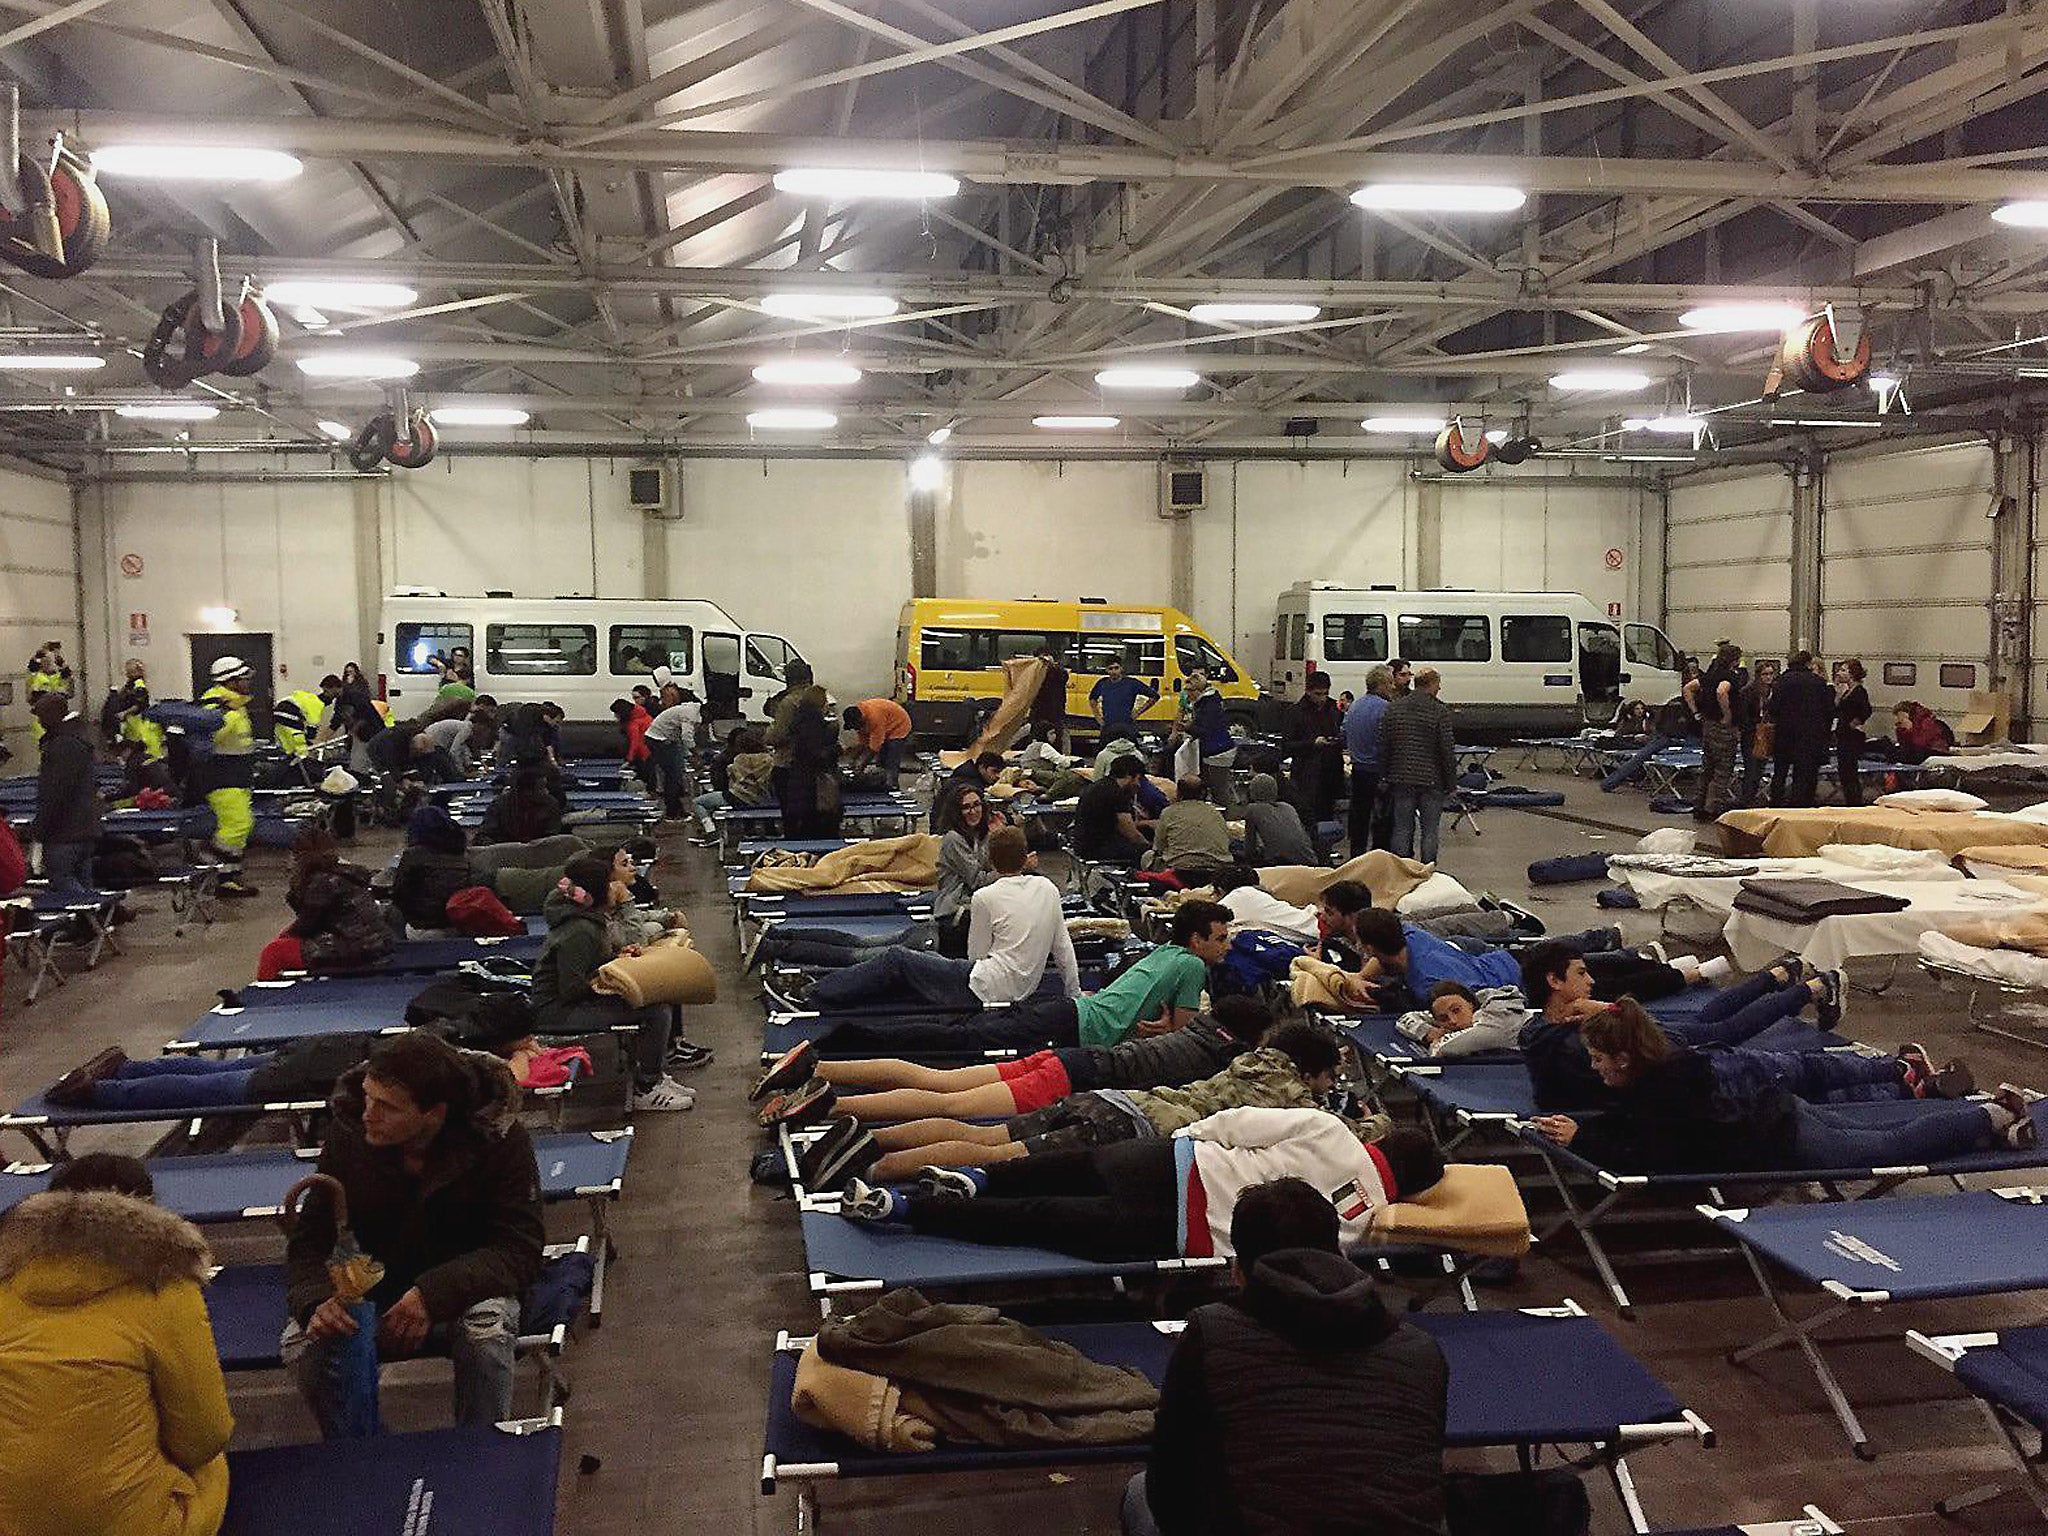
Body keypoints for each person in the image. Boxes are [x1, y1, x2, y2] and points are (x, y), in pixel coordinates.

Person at [1129, 1177, 1447, 1536]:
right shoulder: (1420, 1350)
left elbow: (1169, 1487)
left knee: (1138, 1494)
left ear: (1238, 1272)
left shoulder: (1211, 1333)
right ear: (1338, 1254)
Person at [281, 1033, 544, 1437]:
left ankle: (480, 1453)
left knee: (486, 1333)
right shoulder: (348, 1137)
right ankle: (356, 1453)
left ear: (434, 1115)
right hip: (372, 1286)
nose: (368, 1114)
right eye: (368, 1097)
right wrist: (316, 1299)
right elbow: (309, 1242)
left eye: (386, 1107)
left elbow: (519, 1248)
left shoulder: (501, 1141)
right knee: (305, 1342)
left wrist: (431, 1295)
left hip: (465, 1288)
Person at [842, 1110, 1447, 1267]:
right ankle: (904, 1208)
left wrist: (1181, 1141)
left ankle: (976, 1177)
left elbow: (1234, 1125)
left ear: (1385, 1141)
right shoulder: (1361, 1228)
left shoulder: (1328, 1129)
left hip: (1168, 1164)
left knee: (1061, 1167)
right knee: (1036, 1217)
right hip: (1175, 1230)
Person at [0, 1153, 234, 1536]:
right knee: (214, 1461)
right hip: (132, 1525)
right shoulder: (167, 1291)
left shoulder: (6, 1286)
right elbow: (202, 1437)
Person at [1529, 1000, 2035, 1172]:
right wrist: (1585, 1126)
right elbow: (1639, 1124)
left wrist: (1586, 1137)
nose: (1594, 1069)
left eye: (1598, 1060)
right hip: (1779, 1111)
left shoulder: (1661, 1087)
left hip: (1780, 1135)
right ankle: (1992, 1125)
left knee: (1886, 1145)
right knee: (1882, 1129)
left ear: (1623, 1057)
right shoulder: (1656, 1072)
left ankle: (1993, 1115)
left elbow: (1661, 1153)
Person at [841, 1018, 1341, 1182]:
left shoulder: (1244, 1062)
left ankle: (852, 1138)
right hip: (1127, 1130)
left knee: (964, 1119)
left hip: (1105, 1094)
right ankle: (873, 1170)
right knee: (987, 1151)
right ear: (1312, 1072)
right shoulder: (1293, 1098)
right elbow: (1344, 1140)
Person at [787, 901, 1233, 1060]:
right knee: (961, 1039)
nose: (1226, 946)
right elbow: (1185, 1033)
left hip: (1069, 1015)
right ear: (1196, 940)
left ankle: (853, 1035)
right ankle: (848, 1038)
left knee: (964, 1036)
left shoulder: (1165, 954)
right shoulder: (1192, 968)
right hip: (1073, 1023)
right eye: (1220, 939)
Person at [785, 827, 1077, 1020]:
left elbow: (976, 956)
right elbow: (1063, 949)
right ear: (1026, 857)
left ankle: (812, 995)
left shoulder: (985, 896)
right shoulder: (1048, 889)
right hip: (1012, 986)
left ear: (991, 860)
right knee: (915, 962)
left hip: (985, 985)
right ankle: (814, 980)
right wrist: (1074, 995)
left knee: (895, 958)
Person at [1518, 944, 1843, 1112]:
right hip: (1657, 1047)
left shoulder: (1541, 1029)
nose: (1590, 981)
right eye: (1581, 974)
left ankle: (1785, 978)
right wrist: (1609, 1009)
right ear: (1554, 981)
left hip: (1650, 1039)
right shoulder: (1575, 1039)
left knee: (1708, 1020)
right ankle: (1806, 984)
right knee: (1724, 1029)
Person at [528, 852, 694, 1111]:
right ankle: (646, 1087)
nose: (615, 888)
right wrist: (613, 978)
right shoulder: (579, 930)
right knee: (655, 1012)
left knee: (660, 998)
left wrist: (617, 958)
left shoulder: (590, 922)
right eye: (609, 884)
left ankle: (655, 1076)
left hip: (570, 1001)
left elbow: (593, 964)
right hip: (556, 1011)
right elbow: (571, 988)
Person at [257, 827, 394, 980]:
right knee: (285, 938)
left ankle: (264, 994)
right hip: (376, 941)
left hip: (358, 947)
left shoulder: (321, 882)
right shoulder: (344, 874)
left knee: (273, 952)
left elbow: (307, 926)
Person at [195, 655, 260, 897]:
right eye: (244, 679)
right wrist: (229, 714)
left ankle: (228, 878)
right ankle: (205, 860)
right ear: (231, 680)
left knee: (243, 826)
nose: (248, 683)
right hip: (222, 776)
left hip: (238, 775)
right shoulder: (216, 704)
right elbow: (211, 737)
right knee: (236, 824)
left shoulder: (236, 703)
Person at [27, 693, 101, 899]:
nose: (39, 722)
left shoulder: (62, 745)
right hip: (85, 827)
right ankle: (93, 925)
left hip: (65, 831)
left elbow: (55, 793)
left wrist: (39, 829)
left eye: (41, 716)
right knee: (84, 881)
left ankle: (96, 915)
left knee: (63, 882)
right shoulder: (78, 738)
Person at [1381, 667, 1455, 864]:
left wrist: (1384, 775)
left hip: (1400, 776)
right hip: (1432, 779)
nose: (1439, 688)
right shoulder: (1440, 710)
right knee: (1430, 830)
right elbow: (1446, 750)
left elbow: (1385, 744)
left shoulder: (1394, 708)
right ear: (1431, 685)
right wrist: (1451, 784)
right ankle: (1427, 870)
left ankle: (1400, 870)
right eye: (1438, 684)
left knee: (1402, 828)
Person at [769, 675, 840, 838]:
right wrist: (835, 750)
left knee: (792, 821)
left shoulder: (798, 720)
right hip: (811, 784)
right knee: (814, 825)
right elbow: (816, 754)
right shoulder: (815, 724)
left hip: (794, 777)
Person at [933, 785, 998, 956]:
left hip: (975, 904)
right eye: (966, 807)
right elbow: (978, 881)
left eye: (977, 805)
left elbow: (992, 866)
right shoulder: (953, 839)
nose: (973, 811)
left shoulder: (981, 835)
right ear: (956, 812)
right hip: (954, 914)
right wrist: (1012, 867)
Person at [390, 805, 476, 934]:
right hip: (461, 925)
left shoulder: (413, 855)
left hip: (424, 928)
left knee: (391, 913)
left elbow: (399, 894)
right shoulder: (462, 853)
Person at [1394, 980, 1529, 1060]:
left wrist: (1439, 1040)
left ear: (1471, 1004)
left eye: (1456, 1010)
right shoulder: (1472, 1012)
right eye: (1443, 1018)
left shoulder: (1499, 1019)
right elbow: (1405, 1019)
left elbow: (1441, 1050)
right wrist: (1428, 1031)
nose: (1452, 1021)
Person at [1768, 650, 1834, 807]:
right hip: (1810, 736)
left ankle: (1775, 803)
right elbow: (1829, 711)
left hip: (1784, 734)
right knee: (1804, 773)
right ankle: (1800, 804)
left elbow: (1773, 708)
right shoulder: (1819, 683)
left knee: (1780, 772)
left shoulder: (1781, 681)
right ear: (1808, 663)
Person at [1284, 671, 1345, 823]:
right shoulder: (1296, 712)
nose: (1322, 699)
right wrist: (1312, 743)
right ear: (1308, 691)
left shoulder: (1332, 708)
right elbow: (1287, 745)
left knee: (1328, 816)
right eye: (1318, 694)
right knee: (1308, 816)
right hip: (1307, 773)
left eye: (1325, 694)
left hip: (1330, 771)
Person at [692, 726, 774, 839]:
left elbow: (734, 778)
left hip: (737, 797)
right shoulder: (769, 759)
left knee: (698, 802)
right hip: (763, 798)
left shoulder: (739, 759)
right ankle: (770, 832)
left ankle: (710, 830)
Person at [1693, 640, 1744, 821]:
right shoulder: (1728, 676)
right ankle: (1712, 808)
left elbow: (1688, 688)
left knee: (1707, 767)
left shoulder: (1709, 675)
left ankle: (1698, 804)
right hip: (1723, 728)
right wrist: (1727, 714)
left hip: (1708, 724)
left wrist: (1696, 712)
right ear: (1734, 660)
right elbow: (1722, 691)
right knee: (1722, 769)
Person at [1343, 664, 1391, 854]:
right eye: (1389, 683)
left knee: (1359, 816)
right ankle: (1378, 858)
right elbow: (1387, 742)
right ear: (1380, 684)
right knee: (1382, 821)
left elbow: (1344, 733)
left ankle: (1357, 855)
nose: (1392, 687)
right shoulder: (1385, 709)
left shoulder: (1355, 706)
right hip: (1377, 771)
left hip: (1358, 769)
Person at [1073, 754, 1150, 864]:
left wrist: (1146, 823)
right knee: (1145, 853)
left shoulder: (1099, 785)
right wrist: (1151, 849)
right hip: (1098, 849)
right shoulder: (1117, 793)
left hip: (1082, 844)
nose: (1138, 784)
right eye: (1138, 779)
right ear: (1129, 776)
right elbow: (1131, 833)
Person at [1150, 775, 1233, 875]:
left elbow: (1159, 847)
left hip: (1179, 868)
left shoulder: (1169, 813)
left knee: (1147, 857)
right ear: (1203, 793)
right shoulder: (1215, 813)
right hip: (1216, 867)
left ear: (1178, 793)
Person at [641, 690, 702, 821]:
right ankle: (672, 812)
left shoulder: (690, 710)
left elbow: (682, 739)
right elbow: (686, 737)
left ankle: (677, 809)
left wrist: (688, 755)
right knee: (673, 777)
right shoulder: (691, 714)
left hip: (662, 739)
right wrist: (695, 754)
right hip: (659, 741)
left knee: (675, 775)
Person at [1239, 772, 1316, 867]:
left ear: (1252, 791)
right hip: (1309, 860)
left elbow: (1250, 847)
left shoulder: (1253, 810)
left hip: (1283, 863)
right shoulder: (1288, 807)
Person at [1734, 657, 1781, 806]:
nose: (1768, 677)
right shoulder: (1748, 691)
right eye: (1765, 674)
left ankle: (1752, 797)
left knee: (1760, 768)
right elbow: (1742, 715)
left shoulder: (1775, 691)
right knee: (1751, 769)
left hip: (1767, 733)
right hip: (1751, 734)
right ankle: (1746, 800)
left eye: (1771, 674)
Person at [476, 767, 564, 846]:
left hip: (541, 852)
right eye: (542, 788)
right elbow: (485, 834)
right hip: (506, 853)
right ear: (527, 792)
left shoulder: (551, 803)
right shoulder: (499, 805)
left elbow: (554, 834)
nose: (547, 792)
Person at [842, 698, 914, 784]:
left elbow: (874, 748)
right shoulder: (859, 717)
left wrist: (861, 765)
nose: (855, 729)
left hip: (899, 725)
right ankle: (881, 782)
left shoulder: (874, 718)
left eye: (854, 726)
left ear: (860, 720)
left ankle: (892, 785)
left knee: (891, 760)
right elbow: (863, 744)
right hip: (886, 724)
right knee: (881, 762)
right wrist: (854, 759)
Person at [1090, 655, 1159, 740]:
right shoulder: (1102, 683)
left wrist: (1138, 712)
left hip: (1127, 726)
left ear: (1121, 668)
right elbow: (1092, 699)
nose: (1114, 671)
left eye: (1116, 668)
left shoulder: (1132, 683)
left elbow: (1155, 696)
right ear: (1106, 670)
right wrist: (1098, 717)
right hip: (1108, 726)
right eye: (1110, 669)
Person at [1833, 657, 1872, 807]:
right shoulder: (1846, 691)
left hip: (1852, 736)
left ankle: (1855, 802)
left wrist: (1854, 722)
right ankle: (1849, 799)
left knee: (1850, 771)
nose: (1839, 673)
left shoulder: (1859, 691)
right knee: (1844, 771)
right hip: (1842, 734)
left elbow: (1866, 711)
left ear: (1853, 673)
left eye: (1844, 670)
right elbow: (1836, 708)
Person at [1028, 647, 1071, 751]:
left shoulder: (1058, 672)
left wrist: (1051, 665)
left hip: (1055, 714)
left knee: (1056, 741)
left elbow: (1063, 676)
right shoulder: (1033, 672)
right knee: (1037, 743)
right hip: (1038, 714)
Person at [610, 697, 654, 792]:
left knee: (643, 779)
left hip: (643, 756)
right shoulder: (644, 715)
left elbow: (635, 743)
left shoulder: (633, 724)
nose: (615, 716)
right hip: (652, 751)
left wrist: (629, 760)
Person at [1889, 700, 1955, 763]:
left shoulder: (1927, 723)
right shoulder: (1902, 729)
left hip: (1935, 755)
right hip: (1920, 755)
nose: (1898, 724)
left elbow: (1920, 743)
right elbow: (1905, 747)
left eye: (1901, 720)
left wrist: (1909, 730)